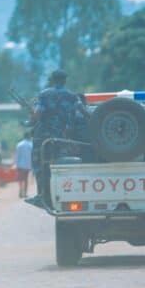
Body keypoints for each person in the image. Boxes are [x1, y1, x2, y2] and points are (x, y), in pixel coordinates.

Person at [28, 69, 88, 207]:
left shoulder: (44, 94)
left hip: (43, 137)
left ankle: (41, 196)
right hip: (63, 137)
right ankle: (65, 193)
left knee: (39, 165)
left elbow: (38, 114)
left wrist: (31, 121)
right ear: (65, 81)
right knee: (62, 166)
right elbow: (83, 111)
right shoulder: (72, 96)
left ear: (52, 80)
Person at [14, 132, 33, 198]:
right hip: (28, 164)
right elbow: (32, 155)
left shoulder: (19, 144)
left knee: (20, 179)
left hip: (20, 165)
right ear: (29, 137)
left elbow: (16, 155)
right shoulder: (31, 145)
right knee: (26, 179)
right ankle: (25, 193)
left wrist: (15, 164)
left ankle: (20, 190)